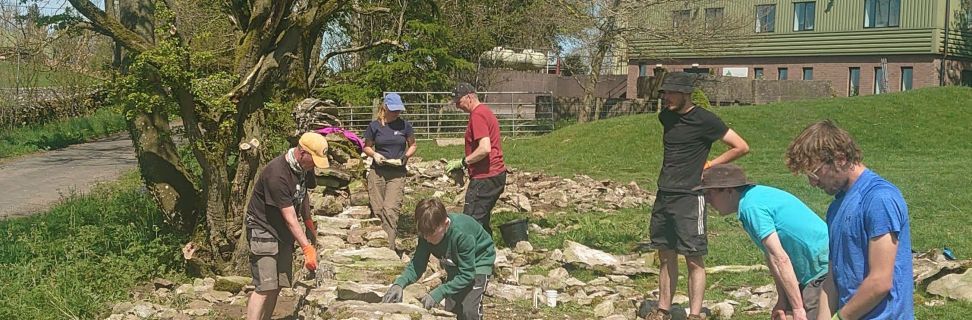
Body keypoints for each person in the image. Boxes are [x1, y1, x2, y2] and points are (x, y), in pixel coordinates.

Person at [645, 72, 750, 320]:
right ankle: (663, 310)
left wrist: (711, 163)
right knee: (665, 254)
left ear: (685, 94)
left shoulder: (706, 120)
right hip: (665, 193)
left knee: (693, 257)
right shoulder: (666, 117)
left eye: (671, 93)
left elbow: (741, 146)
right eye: (665, 93)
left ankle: (694, 314)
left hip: (690, 196)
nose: (666, 98)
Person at [785, 120, 913, 320]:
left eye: (815, 173)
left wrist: (840, 318)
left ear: (840, 159)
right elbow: (832, 279)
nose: (812, 182)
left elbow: (880, 281)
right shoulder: (836, 208)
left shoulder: (879, 198)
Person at [697, 163, 829, 320]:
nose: (708, 200)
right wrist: (783, 300)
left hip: (822, 269)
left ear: (729, 191)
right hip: (814, 267)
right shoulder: (751, 199)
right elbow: (771, 257)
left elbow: (780, 258)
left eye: (709, 194)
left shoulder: (751, 207)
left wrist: (798, 308)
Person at [244, 132, 328, 320]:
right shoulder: (276, 174)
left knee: (277, 284)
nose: (314, 164)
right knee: (264, 286)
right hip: (263, 229)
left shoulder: (305, 167)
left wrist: (308, 223)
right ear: (302, 152)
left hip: (282, 232)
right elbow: (289, 216)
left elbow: (303, 194)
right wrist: (307, 248)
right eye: (313, 159)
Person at [381, 198, 496, 320]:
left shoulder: (462, 234)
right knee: (452, 311)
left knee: (469, 311)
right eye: (424, 234)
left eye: (432, 234)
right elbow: (417, 265)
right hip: (454, 263)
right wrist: (399, 284)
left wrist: (438, 292)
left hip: (479, 262)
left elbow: (467, 274)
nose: (428, 239)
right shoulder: (426, 234)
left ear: (445, 224)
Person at [446, 82, 507, 235]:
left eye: (459, 102)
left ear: (469, 97)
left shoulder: (478, 115)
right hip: (495, 174)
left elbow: (485, 148)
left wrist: (463, 161)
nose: (457, 106)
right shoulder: (485, 111)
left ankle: (470, 257)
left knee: (470, 223)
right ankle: (487, 253)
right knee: (482, 219)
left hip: (486, 176)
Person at [364, 92, 417, 252]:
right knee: (378, 210)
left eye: (398, 110)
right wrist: (374, 154)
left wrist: (406, 156)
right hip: (378, 172)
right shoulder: (374, 126)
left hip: (397, 172)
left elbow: (413, 145)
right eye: (393, 110)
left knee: (391, 210)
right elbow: (366, 146)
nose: (396, 113)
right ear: (385, 107)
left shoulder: (405, 126)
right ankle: (377, 245)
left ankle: (389, 248)